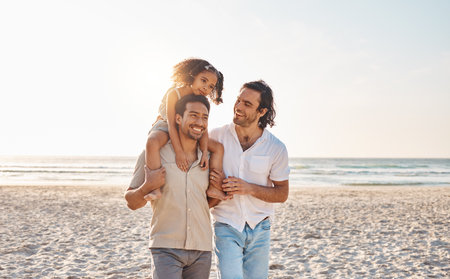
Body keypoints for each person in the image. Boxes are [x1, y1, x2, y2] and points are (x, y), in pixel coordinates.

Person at [125, 94, 215, 279]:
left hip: (202, 249)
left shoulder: (209, 159)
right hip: (165, 248)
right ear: (178, 118)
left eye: (204, 117)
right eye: (193, 115)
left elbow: (207, 202)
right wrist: (147, 186)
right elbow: (131, 202)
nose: (199, 122)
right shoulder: (155, 152)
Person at [208, 80, 290, 279]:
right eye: (238, 100)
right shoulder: (215, 137)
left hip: (260, 228)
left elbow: (282, 193)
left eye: (247, 104)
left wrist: (249, 188)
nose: (238, 107)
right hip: (226, 224)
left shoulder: (276, 147)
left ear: (261, 111)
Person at [131, 58, 227, 201]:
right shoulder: (174, 93)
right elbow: (171, 123)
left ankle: (213, 188)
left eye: (211, 86)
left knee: (218, 148)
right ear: (192, 75)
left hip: (189, 127)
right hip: (166, 125)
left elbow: (204, 129)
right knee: (152, 141)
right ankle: (154, 188)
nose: (206, 87)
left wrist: (205, 150)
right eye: (203, 80)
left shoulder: (204, 101)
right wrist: (179, 152)